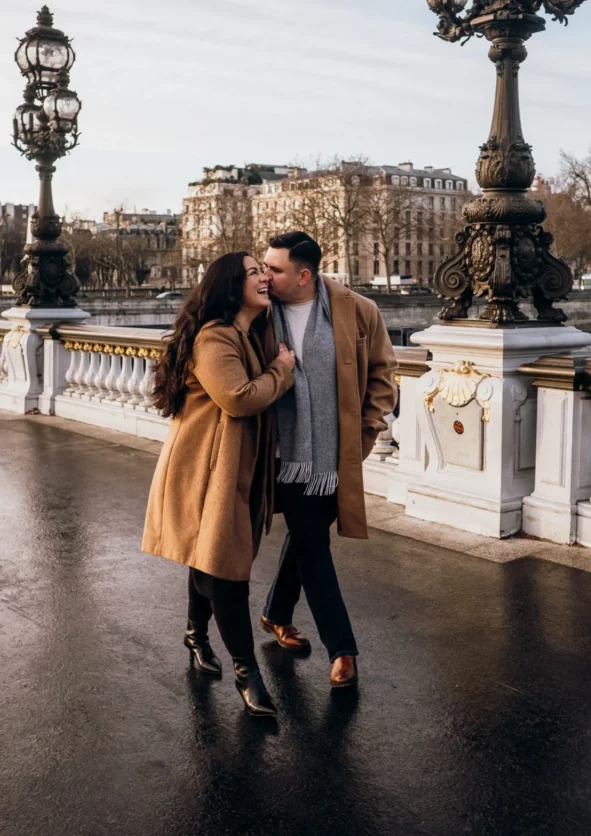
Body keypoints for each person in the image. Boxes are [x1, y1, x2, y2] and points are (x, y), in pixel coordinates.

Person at [141, 252, 295, 717]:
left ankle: (194, 635)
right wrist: (283, 370)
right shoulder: (215, 337)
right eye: (253, 272)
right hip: (207, 474)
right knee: (226, 574)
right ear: (232, 287)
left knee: (207, 559)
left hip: (230, 471)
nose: (264, 278)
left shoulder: (244, 334)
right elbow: (239, 399)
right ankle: (247, 674)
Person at [260, 232, 398, 689]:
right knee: (313, 544)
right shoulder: (257, 309)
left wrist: (366, 431)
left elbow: (382, 373)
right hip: (277, 449)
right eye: (264, 267)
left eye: (275, 269)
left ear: (304, 275)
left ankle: (277, 614)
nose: (266, 275)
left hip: (330, 453)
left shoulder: (357, 309)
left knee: (308, 536)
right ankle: (343, 649)